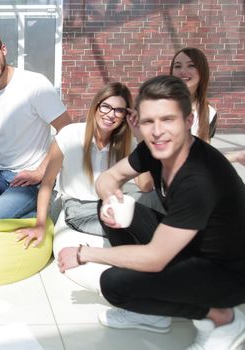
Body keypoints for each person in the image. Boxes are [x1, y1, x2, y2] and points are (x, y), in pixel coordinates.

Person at [58, 75, 245, 350]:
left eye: (168, 119)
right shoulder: (153, 148)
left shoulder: (199, 178)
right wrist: (111, 197)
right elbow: (108, 177)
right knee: (109, 207)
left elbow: (155, 258)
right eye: (148, 122)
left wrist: (83, 254)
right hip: (193, 246)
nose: (157, 131)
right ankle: (152, 315)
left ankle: (222, 319)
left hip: (227, 273)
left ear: (189, 121)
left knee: (113, 283)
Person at [17, 82, 151, 292]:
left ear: (126, 115)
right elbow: (47, 183)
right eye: (106, 106)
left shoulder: (128, 144)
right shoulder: (70, 135)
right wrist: (40, 223)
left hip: (111, 207)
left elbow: (145, 185)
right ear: (96, 107)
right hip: (77, 209)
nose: (111, 114)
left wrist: (141, 136)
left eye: (119, 110)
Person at [0, 28, 71, 222]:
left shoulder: (34, 84)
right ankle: (15, 206)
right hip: (0, 173)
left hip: (31, 176)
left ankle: (42, 204)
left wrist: (40, 172)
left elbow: (68, 130)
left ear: (3, 50)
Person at [170, 47, 217, 142]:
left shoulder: (209, 113)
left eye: (191, 65)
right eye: (178, 66)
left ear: (202, 72)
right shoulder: (158, 104)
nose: (183, 71)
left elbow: (205, 153)